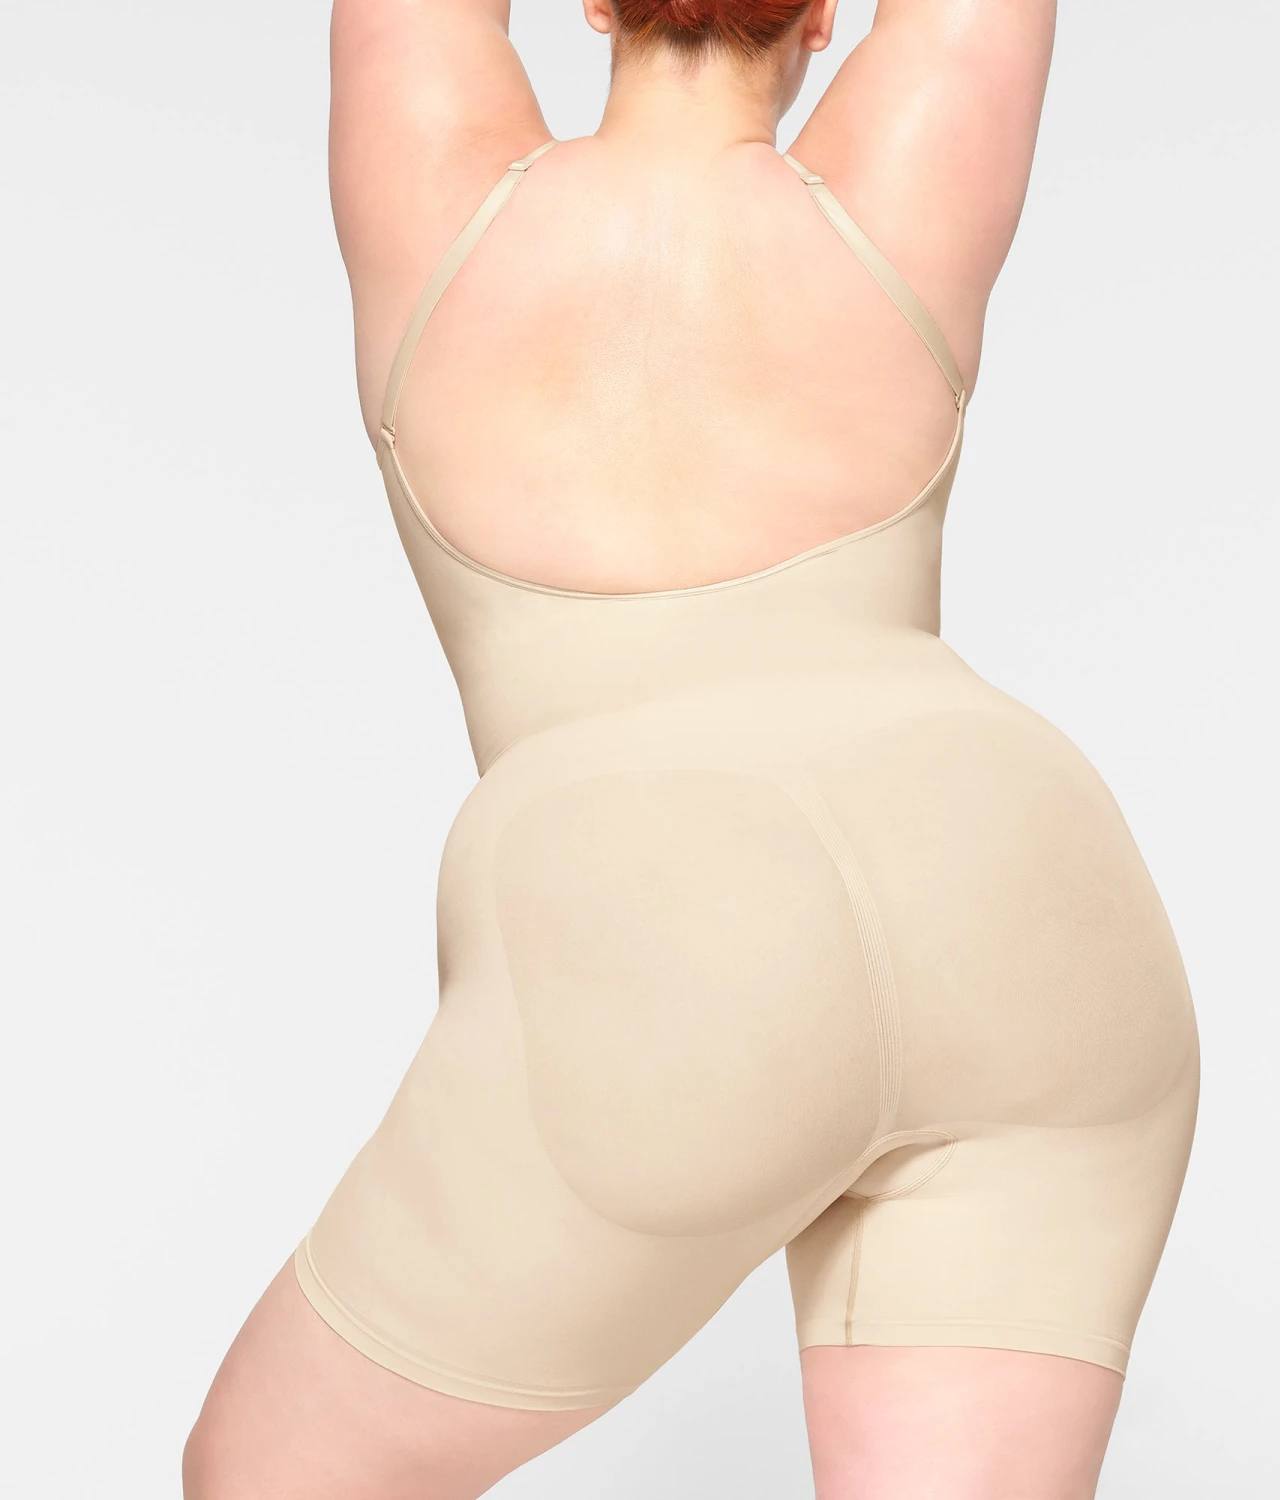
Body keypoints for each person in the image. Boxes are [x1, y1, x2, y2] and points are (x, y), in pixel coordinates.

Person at [183, 3, 1198, 1496]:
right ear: (825, 13)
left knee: (270, 1478)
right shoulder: (891, 203)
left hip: (678, 920)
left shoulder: (437, 203)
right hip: (1028, 890)